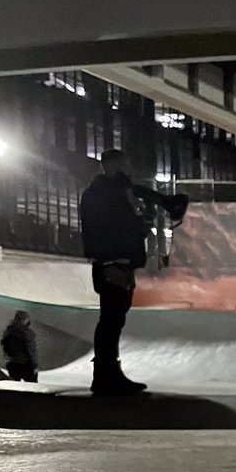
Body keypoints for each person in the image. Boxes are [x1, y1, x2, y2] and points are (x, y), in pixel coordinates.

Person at [79, 148, 149, 395]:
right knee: (110, 319)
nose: (129, 171)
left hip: (119, 261)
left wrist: (140, 221)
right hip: (111, 263)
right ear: (113, 167)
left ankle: (109, 371)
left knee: (115, 318)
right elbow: (103, 229)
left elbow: (127, 228)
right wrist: (108, 262)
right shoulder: (101, 194)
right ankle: (105, 374)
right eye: (125, 166)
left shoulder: (114, 193)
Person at [1, 311, 38, 383]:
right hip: (26, 363)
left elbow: (4, 344)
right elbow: (31, 348)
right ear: (25, 319)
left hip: (13, 362)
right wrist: (35, 365)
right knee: (32, 385)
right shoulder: (26, 332)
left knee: (14, 384)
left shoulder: (9, 331)